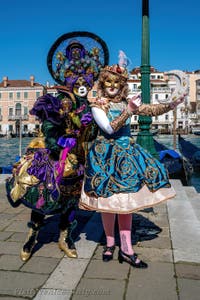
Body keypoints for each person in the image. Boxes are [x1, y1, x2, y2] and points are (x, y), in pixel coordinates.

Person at [6, 34, 108, 262]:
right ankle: (32, 236)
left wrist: (90, 127)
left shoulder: (89, 106)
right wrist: (59, 141)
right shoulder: (60, 101)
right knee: (42, 196)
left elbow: (91, 135)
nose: (81, 85)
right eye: (77, 80)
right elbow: (50, 127)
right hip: (55, 157)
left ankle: (65, 237)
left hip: (78, 159)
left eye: (86, 81)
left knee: (70, 200)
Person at [79, 61, 185, 269]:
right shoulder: (97, 105)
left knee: (126, 206)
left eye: (116, 82)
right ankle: (109, 244)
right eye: (108, 81)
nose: (111, 85)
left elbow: (150, 109)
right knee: (107, 205)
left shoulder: (127, 101)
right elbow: (109, 128)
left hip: (127, 157)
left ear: (121, 84)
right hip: (104, 158)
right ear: (103, 83)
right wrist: (128, 110)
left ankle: (126, 250)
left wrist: (172, 104)